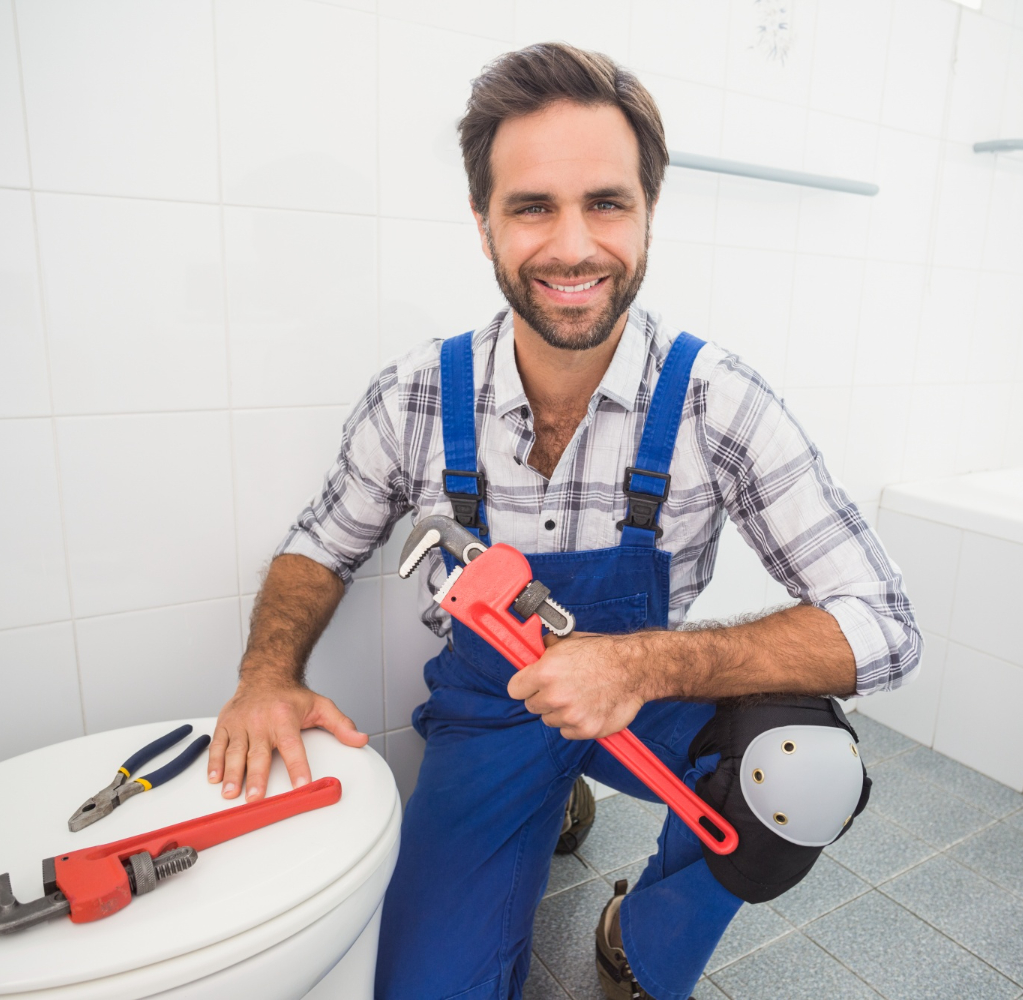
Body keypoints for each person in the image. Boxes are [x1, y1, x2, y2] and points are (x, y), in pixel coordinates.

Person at [207, 42, 920, 1000]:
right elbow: (318, 546)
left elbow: (884, 623)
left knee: (806, 769)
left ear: (648, 213)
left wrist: (637, 664)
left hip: (650, 704)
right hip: (491, 715)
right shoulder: (418, 396)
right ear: (483, 222)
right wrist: (266, 676)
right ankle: (554, 796)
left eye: (606, 203)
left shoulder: (719, 401)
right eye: (533, 206)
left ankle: (640, 937)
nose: (573, 245)